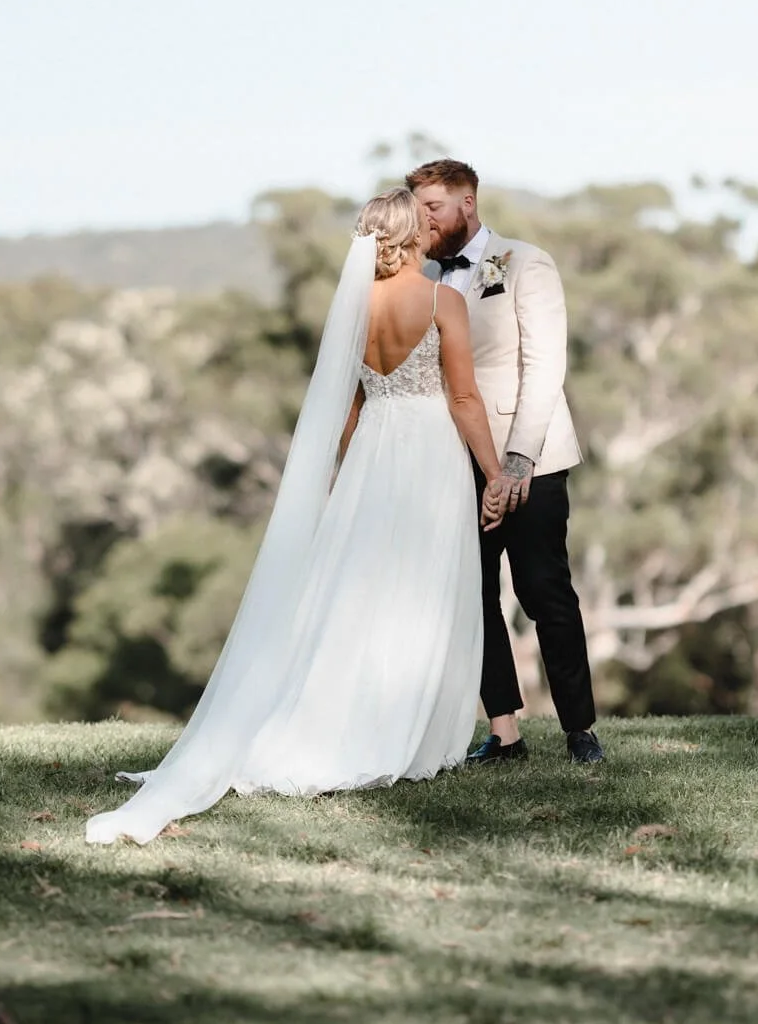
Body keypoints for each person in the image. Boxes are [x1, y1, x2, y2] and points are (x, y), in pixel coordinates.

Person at [86, 188, 506, 844]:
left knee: (352, 595)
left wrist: (349, 469)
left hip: (372, 456)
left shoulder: (353, 309)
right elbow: (464, 396)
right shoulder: (440, 299)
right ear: (408, 234)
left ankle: (340, 716)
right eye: (423, 222)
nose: (431, 230)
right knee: (422, 589)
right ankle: (403, 731)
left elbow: (349, 409)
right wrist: (496, 471)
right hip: (431, 455)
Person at [407, 159, 605, 766]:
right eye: (416, 209)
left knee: (544, 589)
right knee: (474, 592)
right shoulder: (425, 277)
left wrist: (514, 465)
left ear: (467, 202)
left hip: (530, 458)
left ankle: (580, 731)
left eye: (432, 207)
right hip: (456, 458)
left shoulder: (525, 262)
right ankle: (505, 733)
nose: (424, 220)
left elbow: (544, 366)